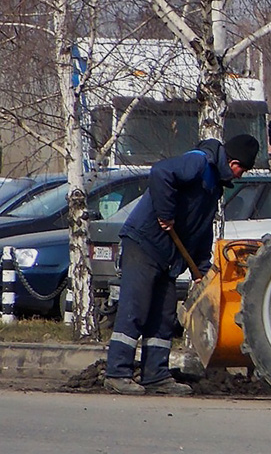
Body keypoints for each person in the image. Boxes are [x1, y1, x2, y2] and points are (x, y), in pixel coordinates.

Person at [104, 133, 259, 395]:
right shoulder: (199, 162)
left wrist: (201, 267)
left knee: (163, 315)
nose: (240, 175)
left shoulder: (214, 185)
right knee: (136, 308)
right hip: (144, 243)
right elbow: (161, 173)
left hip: (168, 254)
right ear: (233, 162)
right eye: (242, 168)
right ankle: (117, 373)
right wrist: (165, 213)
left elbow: (199, 228)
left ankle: (156, 376)